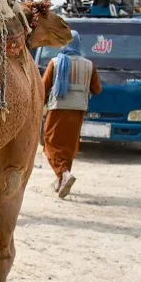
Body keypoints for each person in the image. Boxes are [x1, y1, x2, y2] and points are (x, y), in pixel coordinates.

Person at [42, 31, 101, 198]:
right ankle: (61, 181)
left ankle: (64, 174)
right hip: (78, 110)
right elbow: (97, 90)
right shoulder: (89, 65)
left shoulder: (55, 62)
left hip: (58, 108)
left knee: (50, 143)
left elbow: (43, 87)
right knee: (69, 146)